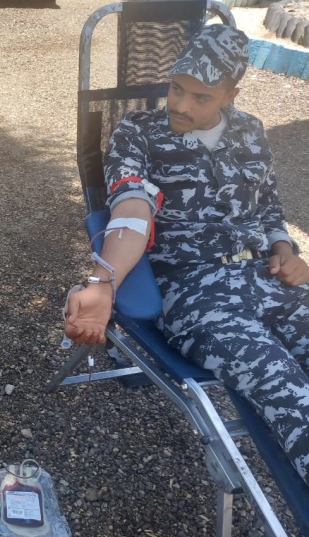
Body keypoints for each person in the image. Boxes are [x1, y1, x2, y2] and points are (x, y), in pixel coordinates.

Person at [64, 24, 309, 487]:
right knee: (290, 393)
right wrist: (103, 280)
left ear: (230, 95)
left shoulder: (250, 131)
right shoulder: (138, 131)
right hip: (195, 294)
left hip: (270, 277)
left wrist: (284, 247)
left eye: (201, 97)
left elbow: (269, 206)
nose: (180, 105)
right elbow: (132, 209)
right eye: (177, 88)